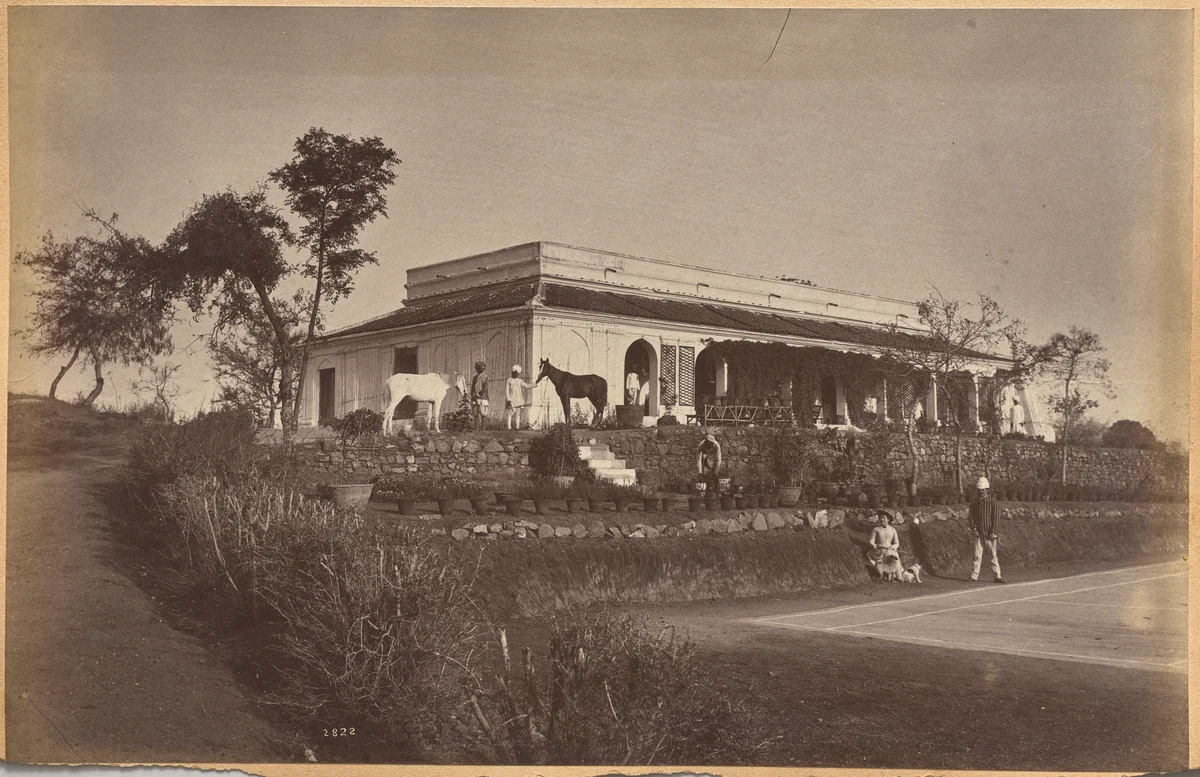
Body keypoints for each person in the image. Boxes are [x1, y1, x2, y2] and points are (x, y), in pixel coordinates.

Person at [970, 476, 1005, 583]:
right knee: (977, 556)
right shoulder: (975, 502)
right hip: (979, 533)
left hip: (989, 533)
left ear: (987, 489)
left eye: (983, 489)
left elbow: (996, 518)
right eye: (979, 489)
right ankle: (974, 576)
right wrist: (974, 529)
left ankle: (997, 576)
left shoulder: (993, 502)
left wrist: (993, 532)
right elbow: (971, 516)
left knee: (993, 556)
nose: (981, 491)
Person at [504, 365, 537, 430]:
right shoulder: (509, 380)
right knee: (511, 413)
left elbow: (527, 386)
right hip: (512, 400)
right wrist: (508, 400)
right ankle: (509, 427)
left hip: (519, 399)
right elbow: (507, 391)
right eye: (515, 373)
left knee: (518, 414)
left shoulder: (519, 381)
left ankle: (517, 427)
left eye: (517, 373)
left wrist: (535, 384)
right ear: (512, 372)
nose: (516, 374)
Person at [470, 361, 489, 430]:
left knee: (483, 412)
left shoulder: (485, 377)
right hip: (475, 397)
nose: (480, 369)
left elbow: (485, 388)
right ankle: (476, 428)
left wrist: (480, 393)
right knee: (475, 412)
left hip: (482, 397)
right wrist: (472, 394)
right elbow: (473, 387)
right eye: (478, 368)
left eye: (481, 368)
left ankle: (483, 428)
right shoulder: (475, 377)